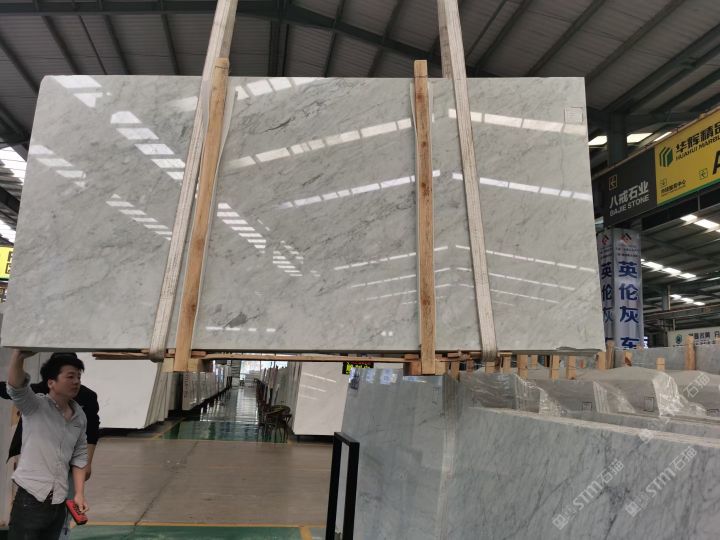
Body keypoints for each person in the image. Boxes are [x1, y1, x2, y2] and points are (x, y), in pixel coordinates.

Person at [0, 352, 100, 539]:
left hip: (59, 502)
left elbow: (79, 456)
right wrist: (18, 356)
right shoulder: (34, 405)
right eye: (70, 376)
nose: (76, 382)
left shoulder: (79, 416)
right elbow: (15, 387)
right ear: (51, 382)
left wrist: (79, 494)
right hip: (31, 499)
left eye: (79, 377)